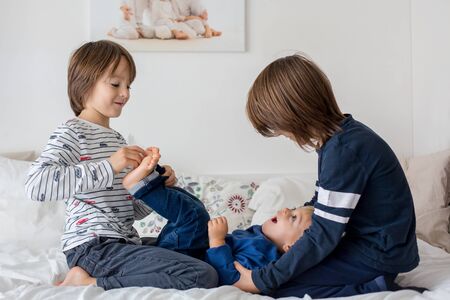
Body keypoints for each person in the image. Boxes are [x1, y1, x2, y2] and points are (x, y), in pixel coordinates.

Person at [25, 40, 217, 290]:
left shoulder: (116, 140)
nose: (125, 93)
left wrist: (152, 183)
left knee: (198, 250)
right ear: (85, 82)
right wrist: (110, 165)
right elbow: (36, 186)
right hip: (93, 247)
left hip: (122, 242)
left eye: (128, 85)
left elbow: (132, 211)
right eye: (115, 84)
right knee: (200, 275)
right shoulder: (72, 131)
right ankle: (88, 281)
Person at [67, 147, 391, 294]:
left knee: (196, 219)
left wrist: (218, 243)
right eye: (290, 209)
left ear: (292, 247)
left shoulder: (267, 259)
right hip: (186, 252)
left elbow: (229, 277)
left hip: (189, 261)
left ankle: (142, 187)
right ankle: (144, 186)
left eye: (291, 217)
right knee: (195, 214)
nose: (281, 212)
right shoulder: (260, 238)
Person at [232, 53, 421, 298]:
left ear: (293, 113)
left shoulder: (344, 150)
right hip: (371, 245)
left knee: (280, 285)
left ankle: (376, 286)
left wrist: (262, 279)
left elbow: (324, 234)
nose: (280, 134)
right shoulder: (338, 141)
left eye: (277, 126)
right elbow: (323, 204)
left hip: (380, 255)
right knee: (289, 266)